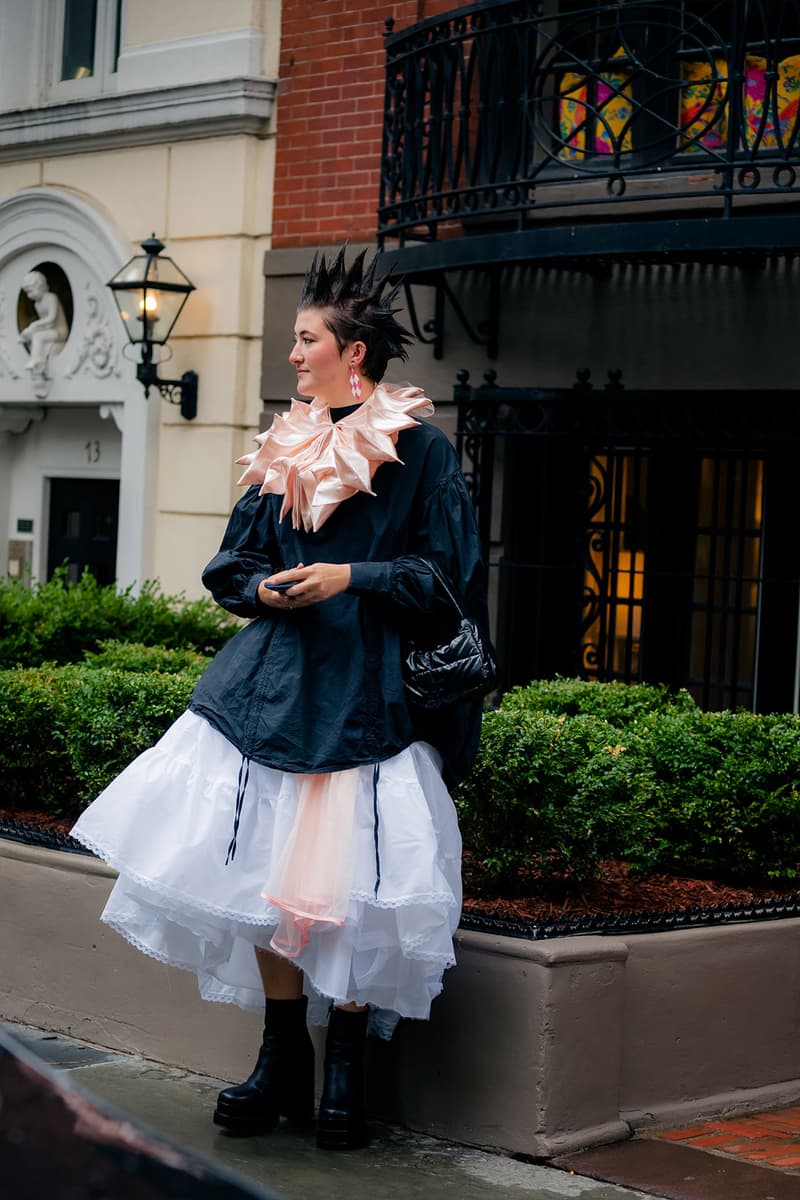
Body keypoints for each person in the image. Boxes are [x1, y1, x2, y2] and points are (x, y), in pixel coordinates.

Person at [70, 247, 489, 1151]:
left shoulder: (423, 451)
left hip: (370, 696)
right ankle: (281, 1059)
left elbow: (449, 577)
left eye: (306, 341)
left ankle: (344, 1072)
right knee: (265, 880)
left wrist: (352, 575)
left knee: (348, 887)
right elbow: (231, 564)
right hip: (274, 688)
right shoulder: (285, 442)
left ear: (354, 355)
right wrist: (261, 591)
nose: (293, 355)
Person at [18, 270, 69, 373]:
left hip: (60, 331)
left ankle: (37, 360)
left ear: (40, 286)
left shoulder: (51, 298)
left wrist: (35, 325)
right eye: (28, 293)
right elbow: (45, 323)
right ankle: (36, 360)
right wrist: (31, 330)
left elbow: (51, 318)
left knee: (38, 336)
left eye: (31, 291)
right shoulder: (36, 304)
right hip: (50, 330)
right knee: (32, 334)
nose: (30, 296)